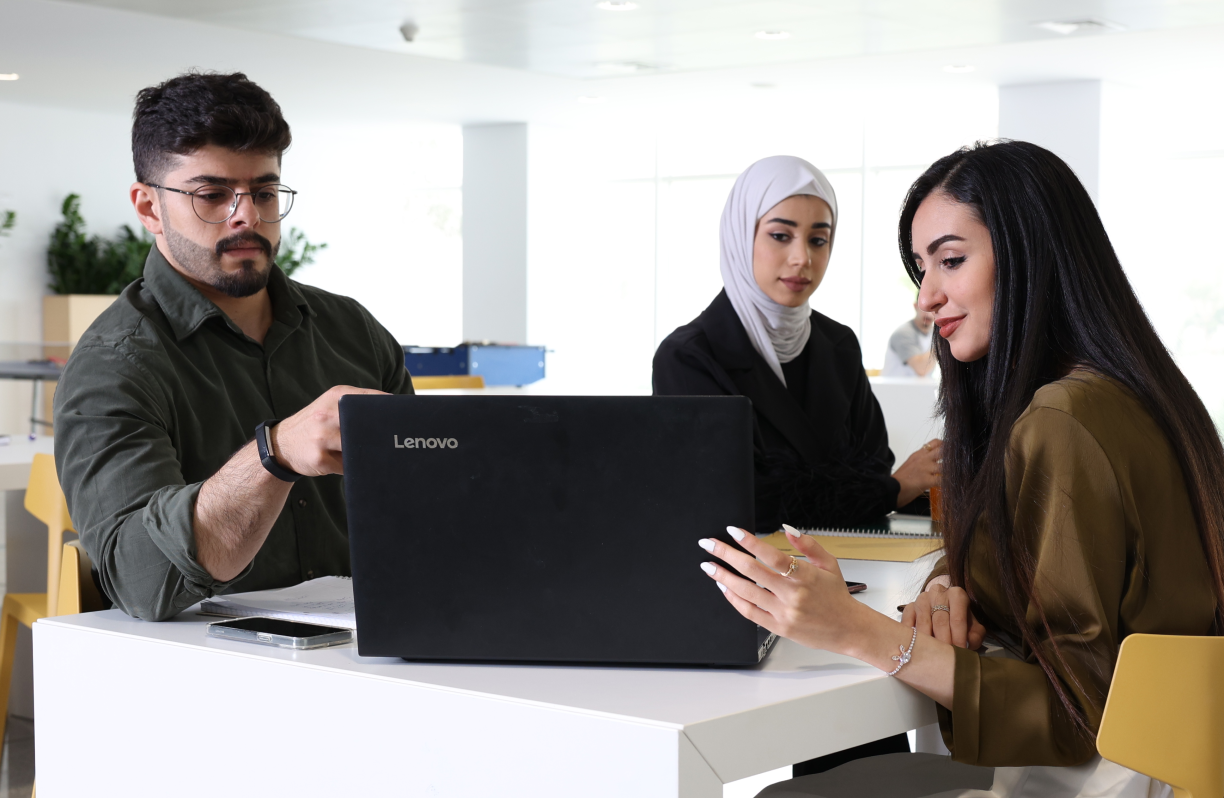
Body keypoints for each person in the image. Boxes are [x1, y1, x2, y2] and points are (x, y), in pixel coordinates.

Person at [695, 140, 1223, 797]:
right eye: (922, 268)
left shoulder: (1062, 418)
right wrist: (954, 579)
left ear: (1030, 255)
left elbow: (1076, 711)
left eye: (951, 260)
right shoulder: (1132, 396)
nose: (927, 299)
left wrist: (855, 630)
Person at [53, 72, 413, 622]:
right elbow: (141, 582)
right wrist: (273, 455)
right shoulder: (114, 365)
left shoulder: (354, 331)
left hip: (386, 650)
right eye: (212, 195)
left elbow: (430, 512)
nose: (246, 214)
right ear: (150, 208)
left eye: (264, 192)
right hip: (207, 673)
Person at [653, 156, 942, 537]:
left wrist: (857, 487)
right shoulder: (690, 357)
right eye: (780, 235)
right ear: (742, 235)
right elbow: (748, 503)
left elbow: (871, 466)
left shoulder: (839, 345)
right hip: (746, 581)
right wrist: (890, 488)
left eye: (818, 240)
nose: (802, 258)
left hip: (857, 565)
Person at [882, 301, 936, 377]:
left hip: (918, 388)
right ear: (915, 306)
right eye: (925, 308)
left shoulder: (933, 334)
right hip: (895, 387)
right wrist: (941, 344)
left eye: (934, 309)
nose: (929, 314)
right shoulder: (903, 333)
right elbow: (921, 369)